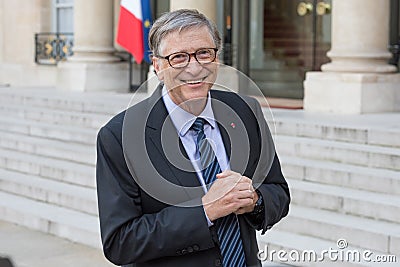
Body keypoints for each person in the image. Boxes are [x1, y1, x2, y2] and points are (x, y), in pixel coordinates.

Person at [96, 9, 290, 267]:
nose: (195, 67)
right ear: (157, 66)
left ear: (216, 58)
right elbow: (121, 242)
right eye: (178, 58)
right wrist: (205, 211)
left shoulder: (246, 111)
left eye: (203, 53)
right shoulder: (119, 136)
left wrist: (254, 201)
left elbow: (278, 192)